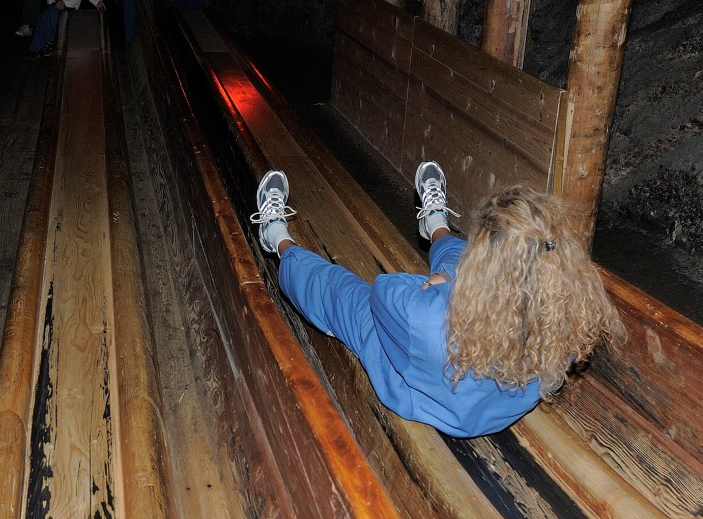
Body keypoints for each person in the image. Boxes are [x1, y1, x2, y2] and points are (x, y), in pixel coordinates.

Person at [251, 163, 624, 438]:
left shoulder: (424, 317)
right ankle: (435, 223)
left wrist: (440, 283)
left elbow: (385, 291)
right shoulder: (567, 314)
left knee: (345, 295)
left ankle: (278, 239)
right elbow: (500, 277)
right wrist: (456, 277)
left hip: (421, 390)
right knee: (459, 265)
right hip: (495, 410)